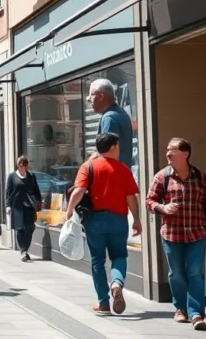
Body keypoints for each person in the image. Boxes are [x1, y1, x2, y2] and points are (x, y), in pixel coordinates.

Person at [146, 138, 206, 330]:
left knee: (195, 273)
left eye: (172, 150)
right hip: (172, 234)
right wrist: (163, 207)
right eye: (167, 150)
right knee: (176, 274)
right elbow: (149, 202)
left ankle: (196, 314)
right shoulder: (162, 177)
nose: (168, 154)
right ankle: (180, 309)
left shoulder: (199, 177)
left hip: (197, 233)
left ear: (185, 153)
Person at [65, 132, 142, 316]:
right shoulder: (123, 169)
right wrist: (137, 220)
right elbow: (131, 197)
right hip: (118, 220)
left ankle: (104, 304)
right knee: (119, 256)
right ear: (114, 147)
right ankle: (116, 283)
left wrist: (69, 211)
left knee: (97, 261)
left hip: (95, 220)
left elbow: (79, 191)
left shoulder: (88, 166)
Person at [89, 78, 134, 168]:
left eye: (91, 96)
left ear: (101, 96)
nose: (89, 100)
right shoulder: (121, 113)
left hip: (113, 177)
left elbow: (106, 154)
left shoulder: (109, 118)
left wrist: (87, 165)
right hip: (122, 174)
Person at [5, 156, 42, 262]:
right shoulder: (12, 176)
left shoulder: (31, 176)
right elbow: (8, 192)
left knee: (30, 227)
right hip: (17, 206)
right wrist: (8, 205)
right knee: (20, 229)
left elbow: (36, 190)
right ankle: (23, 251)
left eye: (24, 164)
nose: (22, 166)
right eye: (21, 164)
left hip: (29, 205)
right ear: (18, 165)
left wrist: (39, 202)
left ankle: (25, 249)